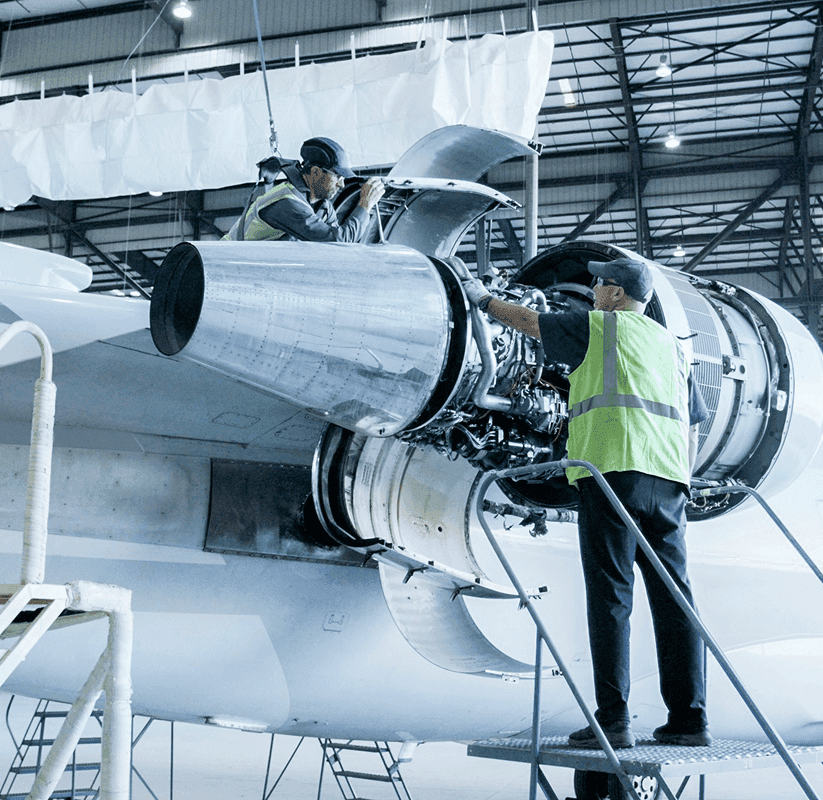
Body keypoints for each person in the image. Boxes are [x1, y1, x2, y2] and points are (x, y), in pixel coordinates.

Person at [463, 257, 711, 750]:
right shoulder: (674, 347)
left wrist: (483, 300)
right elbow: (694, 420)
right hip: (669, 481)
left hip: (612, 473)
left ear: (618, 295)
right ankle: (689, 719)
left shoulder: (603, 326)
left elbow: (532, 324)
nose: (593, 290)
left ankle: (613, 721)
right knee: (674, 598)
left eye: (599, 284)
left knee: (611, 597)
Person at [223, 136, 384, 243]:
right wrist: (365, 205)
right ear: (315, 172)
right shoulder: (287, 203)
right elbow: (338, 242)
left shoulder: (322, 205)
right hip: (227, 262)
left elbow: (336, 245)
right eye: (337, 177)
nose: (341, 184)